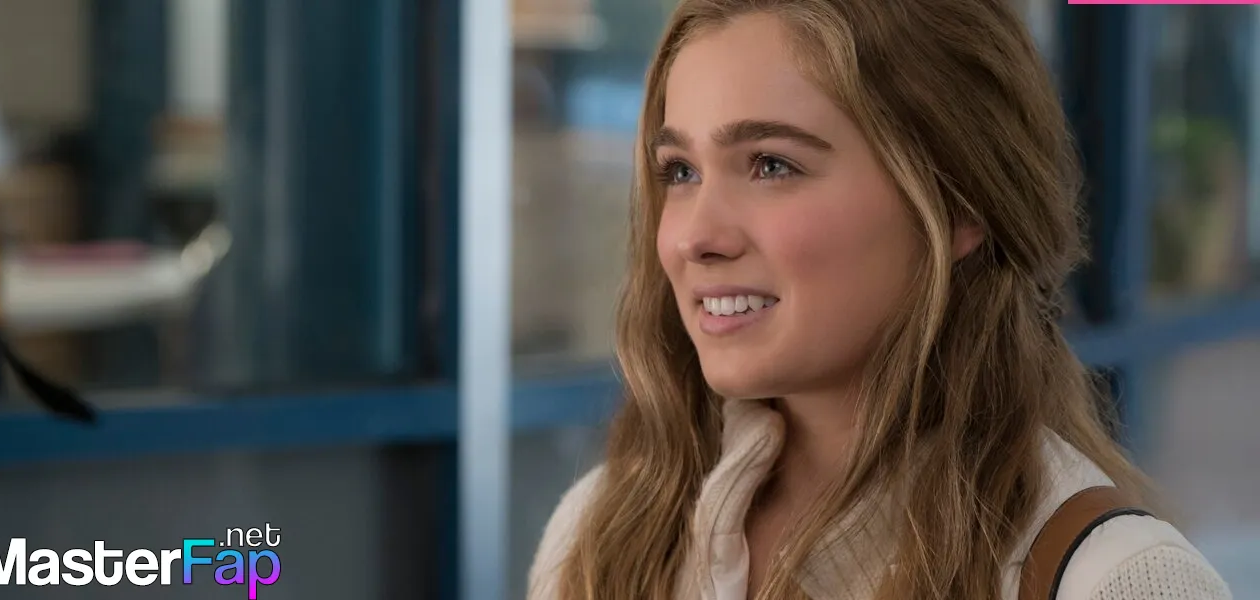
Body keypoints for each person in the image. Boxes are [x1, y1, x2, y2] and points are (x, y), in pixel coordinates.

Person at [527, 0, 1233, 599]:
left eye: (771, 165)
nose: (694, 238)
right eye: (680, 171)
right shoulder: (597, 534)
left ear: (958, 204)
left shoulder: (1121, 581)